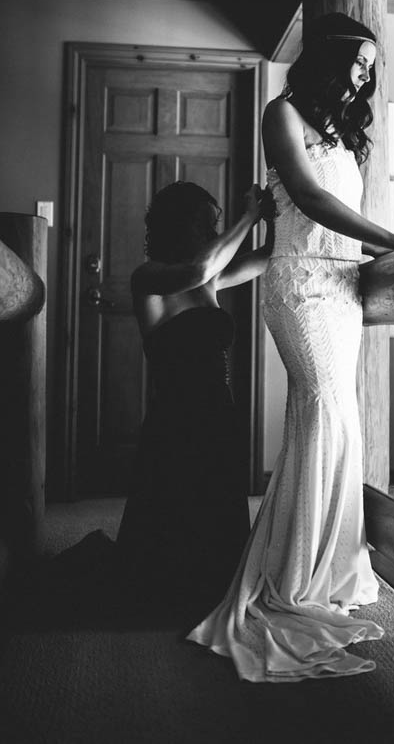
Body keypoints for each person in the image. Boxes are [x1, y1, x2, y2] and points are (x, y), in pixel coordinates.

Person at [186, 12, 394, 681]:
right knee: (325, 414)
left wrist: (373, 255)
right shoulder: (282, 113)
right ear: (326, 58)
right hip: (300, 286)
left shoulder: (343, 132)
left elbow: (334, 211)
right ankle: (291, 582)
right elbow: (307, 197)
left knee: (334, 425)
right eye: (359, 61)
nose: (365, 75)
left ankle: (318, 569)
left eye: (371, 66)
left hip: (346, 289)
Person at [114, 179, 275, 616]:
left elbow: (264, 259)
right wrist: (248, 218)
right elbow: (197, 272)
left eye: (215, 225)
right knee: (172, 522)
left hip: (217, 413)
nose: (211, 231)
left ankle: (212, 590)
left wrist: (275, 215)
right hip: (174, 421)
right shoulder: (149, 277)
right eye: (206, 223)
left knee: (216, 522)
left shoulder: (212, 275)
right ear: (181, 226)